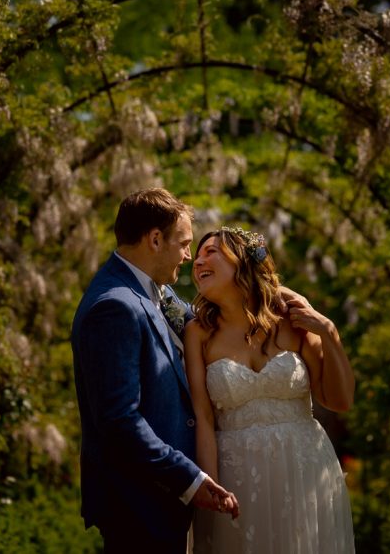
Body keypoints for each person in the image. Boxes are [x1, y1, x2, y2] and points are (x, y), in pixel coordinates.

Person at [71, 188, 240, 554]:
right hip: (139, 504)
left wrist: (268, 301)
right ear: (155, 239)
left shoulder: (155, 292)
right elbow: (119, 421)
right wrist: (189, 479)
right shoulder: (114, 306)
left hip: (159, 504)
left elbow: (207, 324)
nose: (187, 256)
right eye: (183, 244)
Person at [185, 227, 356, 554]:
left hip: (303, 468)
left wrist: (328, 331)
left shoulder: (293, 318)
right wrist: (211, 486)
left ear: (243, 262)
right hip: (236, 476)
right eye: (196, 256)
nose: (198, 261)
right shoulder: (198, 332)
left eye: (211, 252)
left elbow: (340, 400)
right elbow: (203, 417)